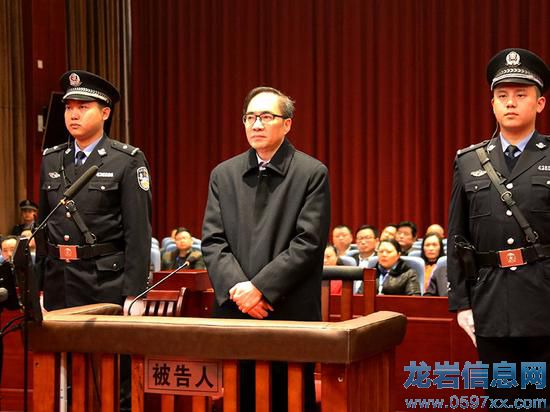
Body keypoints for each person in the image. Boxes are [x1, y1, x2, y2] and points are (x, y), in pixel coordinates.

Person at [201, 86, 330, 412]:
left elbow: (308, 242)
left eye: (266, 117)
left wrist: (259, 289)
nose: (256, 124)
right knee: (236, 400)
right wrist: (240, 291)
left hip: (286, 311)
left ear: (287, 124)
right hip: (236, 312)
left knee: (289, 401)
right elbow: (213, 241)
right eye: (250, 117)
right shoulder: (223, 174)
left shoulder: (311, 173)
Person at [448, 48, 550, 406]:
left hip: (544, 302)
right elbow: (457, 236)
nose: (510, 103)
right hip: (490, 303)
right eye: (502, 95)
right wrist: (461, 304)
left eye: (521, 94)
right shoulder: (468, 161)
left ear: (540, 103)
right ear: (492, 104)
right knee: (502, 399)